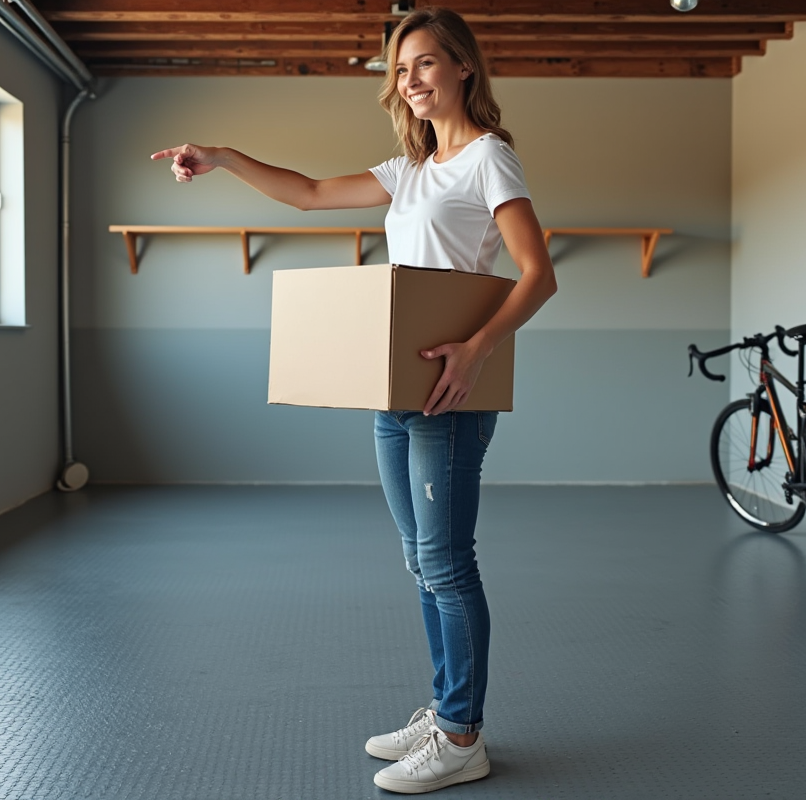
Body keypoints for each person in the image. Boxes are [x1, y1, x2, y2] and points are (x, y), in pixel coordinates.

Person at [152, 7, 556, 793]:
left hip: (447, 396)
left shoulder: (488, 161)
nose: (410, 81)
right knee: (420, 560)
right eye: (400, 71)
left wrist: (477, 351)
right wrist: (225, 157)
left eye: (426, 64)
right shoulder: (407, 173)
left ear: (464, 67)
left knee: (446, 561)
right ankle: (444, 711)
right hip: (392, 392)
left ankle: (463, 735)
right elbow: (304, 194)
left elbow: (538, 274)